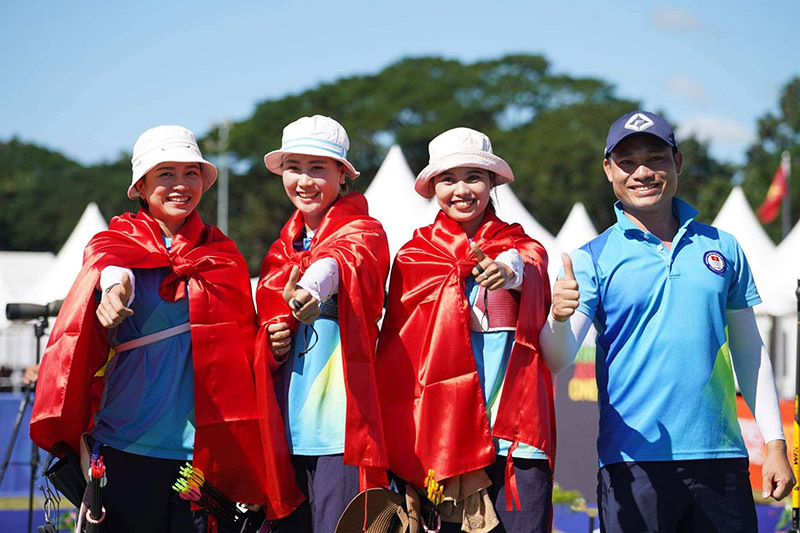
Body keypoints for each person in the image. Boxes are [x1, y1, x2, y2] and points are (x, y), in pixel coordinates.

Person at [30, 125, 302, 532]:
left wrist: (275, 345)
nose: (181, 185)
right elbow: (113, 269)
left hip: (203, 458)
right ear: (140, 186)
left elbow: (243, 351)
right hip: (124, 448)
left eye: (190, 173)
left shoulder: (222, 256)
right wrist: (112, 292)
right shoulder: (115, 243)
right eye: (166, 174)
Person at [539, 110, 795, 531]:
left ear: (676, 162)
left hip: (721, 460)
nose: (643, 172)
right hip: (632, 462)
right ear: (608, 170)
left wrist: (775, 443)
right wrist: (559, 317)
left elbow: (750, 351)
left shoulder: (723, 247)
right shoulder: (590, 258)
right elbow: (558, 358)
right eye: (627, 162)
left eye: (655, 158)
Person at [375, 128, 556, 533]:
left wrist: (506, 272)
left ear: (492, 182)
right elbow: (395, 363)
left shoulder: (523, 247)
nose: (461, 189)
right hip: (441, 441)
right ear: (433, 187)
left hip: (515, 441)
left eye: (474, 176)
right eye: (448, 179)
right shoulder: (412, 257)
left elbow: (527, 264)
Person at [255, 115, 390, 533]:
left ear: (342, 177)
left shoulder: (364, 233)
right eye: (294, 167)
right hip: (283, 433)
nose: (305, 180)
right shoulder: (281, 250)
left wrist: (311, 291)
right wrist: (273, 341)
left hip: (340, 434)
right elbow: (262, 332)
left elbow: (336, 263)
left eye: (319, 168)